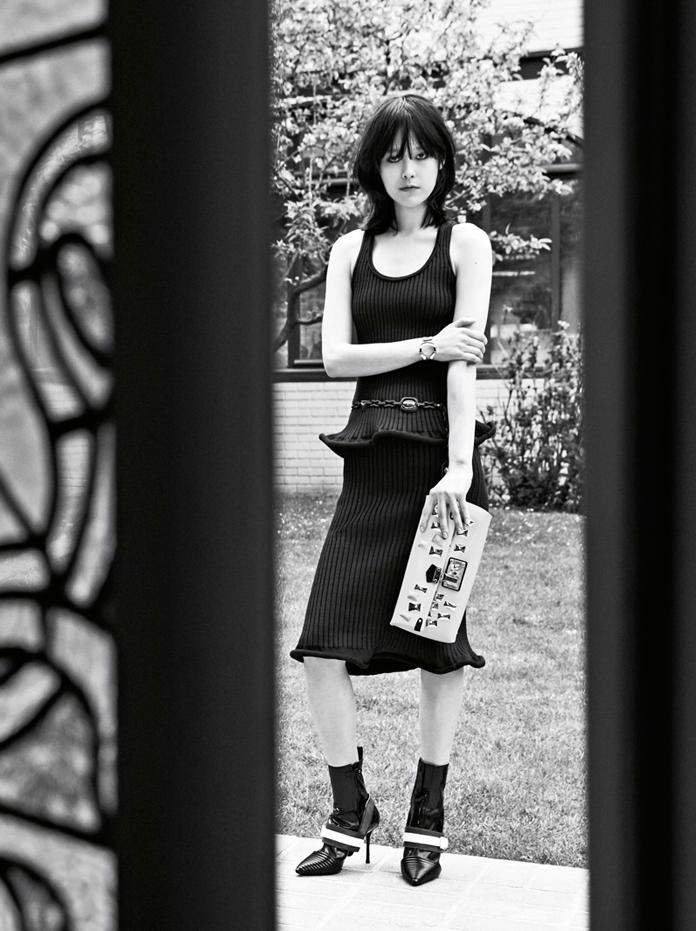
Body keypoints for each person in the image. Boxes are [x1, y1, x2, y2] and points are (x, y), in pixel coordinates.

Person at [288, 92, 495, 887]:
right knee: (321, 645)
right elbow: (336, 359)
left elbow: (464, 364)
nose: (409, 169)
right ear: (375, 166)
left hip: (438, 469)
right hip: (371, 463)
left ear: (442, 161)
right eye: (393, 155)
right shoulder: (351, 251)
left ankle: (427, 815)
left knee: (440, 650)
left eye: (422, 154)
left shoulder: (465, 243)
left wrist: (460, 467)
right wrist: (428, 343)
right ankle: (352, 809)